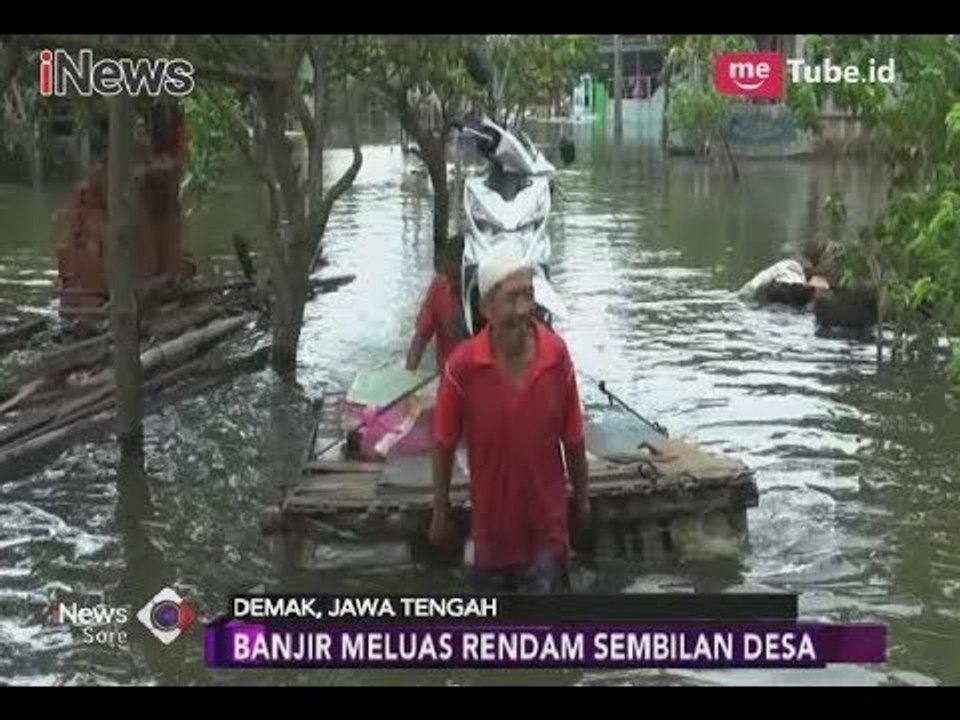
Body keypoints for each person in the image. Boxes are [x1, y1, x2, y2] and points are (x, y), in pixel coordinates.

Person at [428, 242, 591, 593]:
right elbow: (443, 443)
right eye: (512, 298)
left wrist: (584, 499)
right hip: (492, 533)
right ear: (487, 307)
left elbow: (574, 438)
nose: (523, 309)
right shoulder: (463, 366)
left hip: (547, 531)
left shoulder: (556, 355)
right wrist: (440, 512)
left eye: (529, 296)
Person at [405, 235, 466, 372]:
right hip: (447, 377)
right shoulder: (439, 287)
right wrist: (407, 376)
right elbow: (420, 338)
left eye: (457, 281)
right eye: (448, 276)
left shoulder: (489, 296)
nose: (450, 286)